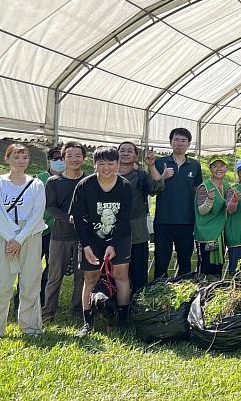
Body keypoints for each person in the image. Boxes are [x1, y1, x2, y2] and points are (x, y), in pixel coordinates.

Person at [71, 147, 133, 338]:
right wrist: (87, 245)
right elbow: (78, 218)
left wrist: (113, 244)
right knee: (89, 278)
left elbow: (124, 219)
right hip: (91, 239)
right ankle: (87, 323)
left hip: (119, 239)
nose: (106, 168)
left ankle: (122, 320)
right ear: (94, 164)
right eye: (102, 163)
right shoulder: (84, 186)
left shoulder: (124, 186)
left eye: (111, 163)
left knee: (120, 276)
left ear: (118, 164)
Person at [0, 143, 46, 337]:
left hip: (30, 237)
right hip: (3, 236)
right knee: (1, 284)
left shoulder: (36, 184)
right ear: (7, 159)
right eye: (16, 157)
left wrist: (20, 238)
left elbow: (37, 213)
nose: (21, 161)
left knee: (30, 283)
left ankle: (31, 327)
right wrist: (11, 237)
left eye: (25, 157)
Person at [43, 142, 87, 321]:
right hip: (60, 236)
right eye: (69, 156)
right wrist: (67, 217)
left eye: (78, 155)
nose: (74, 159)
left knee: (81, 276)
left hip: (84, 237)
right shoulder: (54, 181)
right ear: (63, 159)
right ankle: (47, 313)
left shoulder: (89, 180)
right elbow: (50, 206)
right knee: (54, 276)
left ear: (84, 158)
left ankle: (77, 310)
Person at [14, 146, 61, 309]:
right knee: (28, 269)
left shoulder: (70, 180)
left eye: (62, 157)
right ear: (48, 160)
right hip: (36, 232)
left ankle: (42, 301)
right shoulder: (38, 179)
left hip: (58, 234)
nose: (59, 161)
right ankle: (19, 301)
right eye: (55, 158)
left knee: (52, 270)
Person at [153, 128, 202, 278]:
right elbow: (152, 190)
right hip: (163, 221)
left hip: (186, 221)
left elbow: (197, 192)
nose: (179, 144)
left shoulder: (195, 165)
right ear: (170, 142)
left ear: (188, 144)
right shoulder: (159, 162)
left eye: (183, 141)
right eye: (176, 140)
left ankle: (184, 295)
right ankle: (158, 294)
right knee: (161, 261)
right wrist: (163, 177)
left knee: (185, 262)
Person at [117, 142, 163, 294]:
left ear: (136, 156)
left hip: (137, 233)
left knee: (138, 274)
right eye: (122, 150)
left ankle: (137, 304)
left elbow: (158, 187)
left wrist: (151, 165)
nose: (125, 153)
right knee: (114, 273)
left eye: (130, 151)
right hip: (113, 234)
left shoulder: (141, 176)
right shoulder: (108, 174)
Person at [193, 157, 231, 277]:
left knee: (218, 265)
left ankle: (215, 291)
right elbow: (202, 211)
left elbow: (229, 207)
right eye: (215, 166)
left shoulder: (227, 186)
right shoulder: (205, 187)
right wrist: (209, 199)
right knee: (206, 267)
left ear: (227, 168)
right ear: (210, 169)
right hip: (207, 235)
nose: (219, 169)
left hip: (220, 234)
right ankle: (203, 292)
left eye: (222, 165)